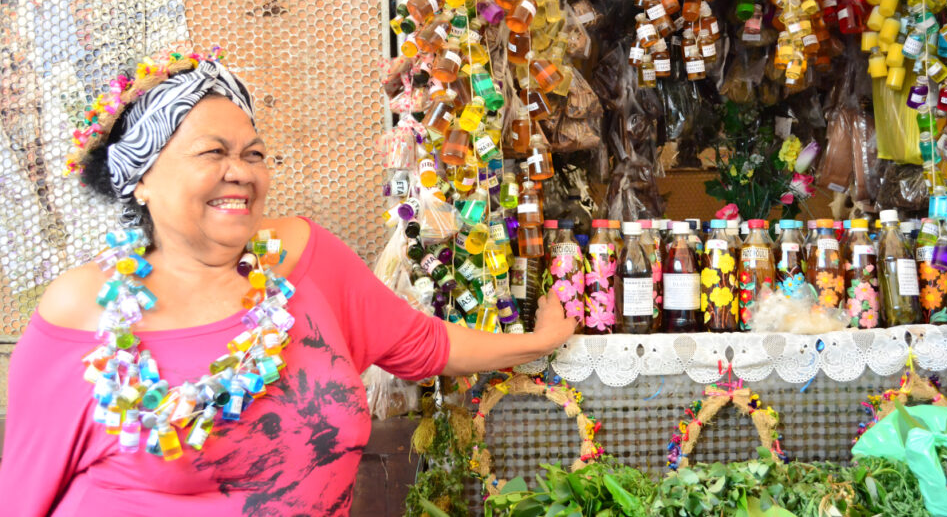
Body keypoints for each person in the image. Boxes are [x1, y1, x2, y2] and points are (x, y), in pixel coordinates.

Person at [0, 51, 576, 516]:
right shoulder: (84, 310)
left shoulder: (303, 256)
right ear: (141, 178)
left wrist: (537, 342)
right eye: (213, 152)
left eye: (254, 153)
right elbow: (24, 492)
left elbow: (424, 344)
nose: (243, 171)